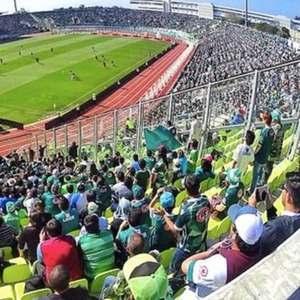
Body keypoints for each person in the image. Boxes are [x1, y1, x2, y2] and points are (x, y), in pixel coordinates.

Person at [180, 204, 263, 299]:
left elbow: (185, 266)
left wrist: (207, 253)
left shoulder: (219, 266)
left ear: (234, 233)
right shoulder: (257, 249)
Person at [157, 174, 211, 274]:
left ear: (186, 189)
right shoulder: (206, 200)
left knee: (173, 268)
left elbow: (175, 230)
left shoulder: (186, 209)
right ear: (199, 187)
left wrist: (164, 215)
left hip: (187, 247)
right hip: (202, 242)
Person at [249, 171, 300, 258]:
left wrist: (250, 209)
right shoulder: (293, 222)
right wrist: (270, 208)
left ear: (288, 196)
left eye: (283, 187)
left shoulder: (273, 228)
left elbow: (250, 241)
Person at [37, 219, 82, 284]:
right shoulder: (71, 238)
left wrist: (41, 241)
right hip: (76, 276)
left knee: (38, 264)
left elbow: (41, 260)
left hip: (55, 283)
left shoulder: (41, 246)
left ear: (47, 233)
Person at [78, 214, 115, 280]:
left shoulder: (82, 242)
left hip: (92, 277)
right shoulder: (109, 234)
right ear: (98, 225)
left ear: (85, 228)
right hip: (111, 272)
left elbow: (80, 258)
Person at [250, 112, 275, 193]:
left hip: (259, 157)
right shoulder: (272, 131)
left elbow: (259, 145)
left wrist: (253, 153)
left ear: (264, 120)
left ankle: (252, 191)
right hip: (265, 157)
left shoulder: (264, 131)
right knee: (260, 175)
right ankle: (258, 190)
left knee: (255, 176)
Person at [265, 109, 285, 181]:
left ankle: (264, 181)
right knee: (270, 166)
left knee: (267, 167)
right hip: (276, 151)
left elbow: (272, 139)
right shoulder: (281, 126)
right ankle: (265, 180)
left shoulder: (277, 127)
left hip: (271, 151)